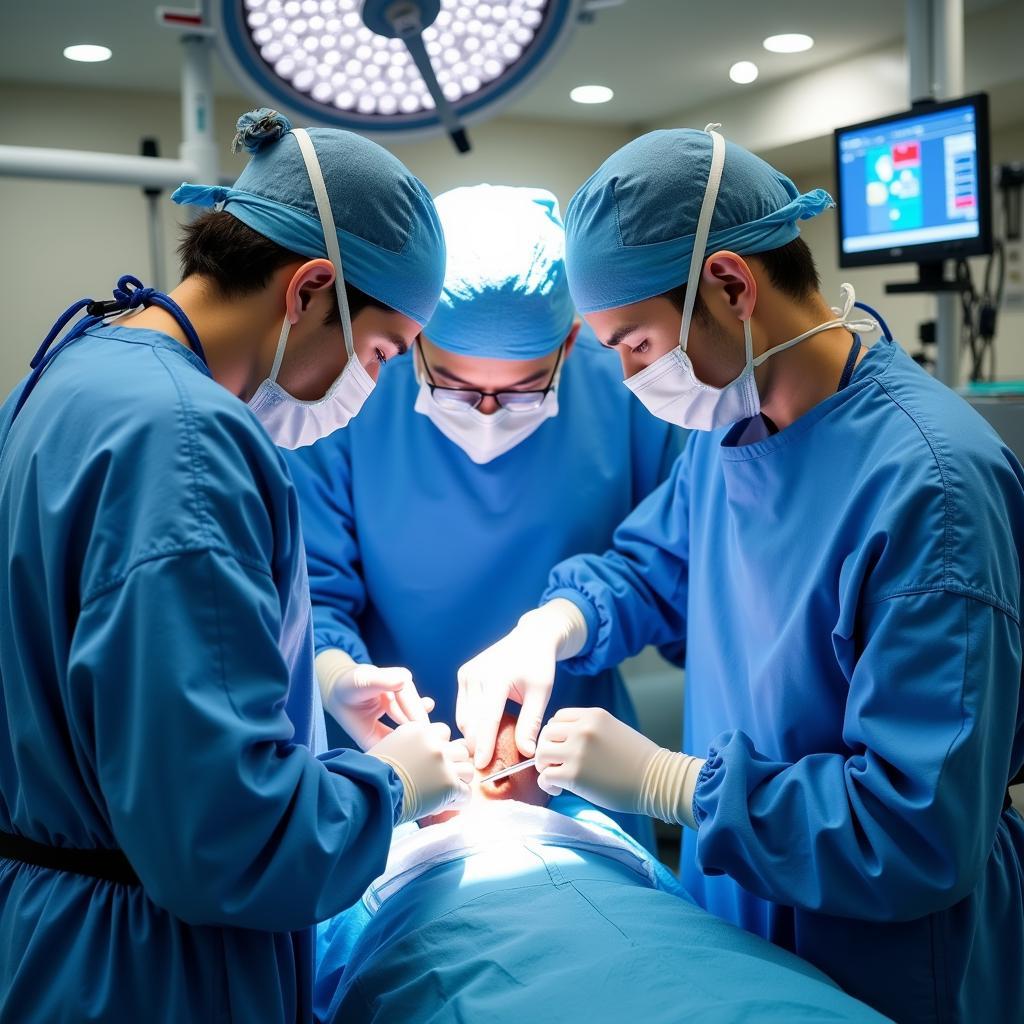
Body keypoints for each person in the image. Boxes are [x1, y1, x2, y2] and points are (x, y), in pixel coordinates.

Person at [456, 126, 1024, 1023]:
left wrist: (668, 784)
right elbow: (652, 568)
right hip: (735, 915)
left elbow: (920, 828)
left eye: (636, 345)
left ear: (729, 285)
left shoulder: (932, 485)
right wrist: (553, 626)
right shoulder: (728, 433)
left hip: (888, 955)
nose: (631, 376)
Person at [0, 108, 472, 1024]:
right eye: (378, 351)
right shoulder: (185, 437)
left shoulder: (74, 372)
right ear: (308, 290)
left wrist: (312, 689)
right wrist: (397, 784)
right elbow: (224, 841)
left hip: (52, 938)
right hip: (148, 972)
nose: (369, 386)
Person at [285, 184, 684, 851]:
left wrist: (560, 628)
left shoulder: (633, 387)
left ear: (572, 339)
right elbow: (309, 590)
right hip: (383, 760)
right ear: (412, 340)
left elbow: (668, 570)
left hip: (567, 765)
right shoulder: (351, 393)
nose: (488, 413)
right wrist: (335, 677)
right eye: (457, 386)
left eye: (524, 388)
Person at [312, 715, 890, 1024]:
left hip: (650, 927)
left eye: (505, 753)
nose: (479, 753)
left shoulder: (593, 832)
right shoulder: (370, 846)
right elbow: (325, 947)